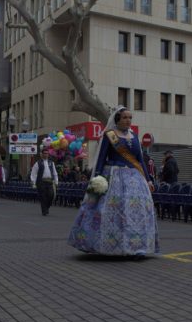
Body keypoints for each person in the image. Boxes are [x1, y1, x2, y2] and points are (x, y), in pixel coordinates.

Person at [68, 106, 159, 257]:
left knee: (135, 212)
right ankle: (105, 245)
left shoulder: (135, 136)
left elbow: (140, 160)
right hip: (113, 176)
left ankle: (136, 247)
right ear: (117, 119)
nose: (128, 120)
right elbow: (102, 158)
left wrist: (148, 180)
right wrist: (97, 177)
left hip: (135, 179)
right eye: (125, 117)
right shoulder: (110, 135)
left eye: (130, 118)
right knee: (112, 211)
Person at [30, 147, 59, 216]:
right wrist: (33, 183)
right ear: (42, 154)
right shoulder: (38, 163)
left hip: (50, 182)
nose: (46, 155)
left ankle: (47, 207)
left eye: (47, 153)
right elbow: (34, 173)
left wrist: (56, 181)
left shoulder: (51, 163)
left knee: (51, 195)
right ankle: (44, 210)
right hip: (41, 182)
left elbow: (55, 173)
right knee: (43, 197)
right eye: (44, 153)